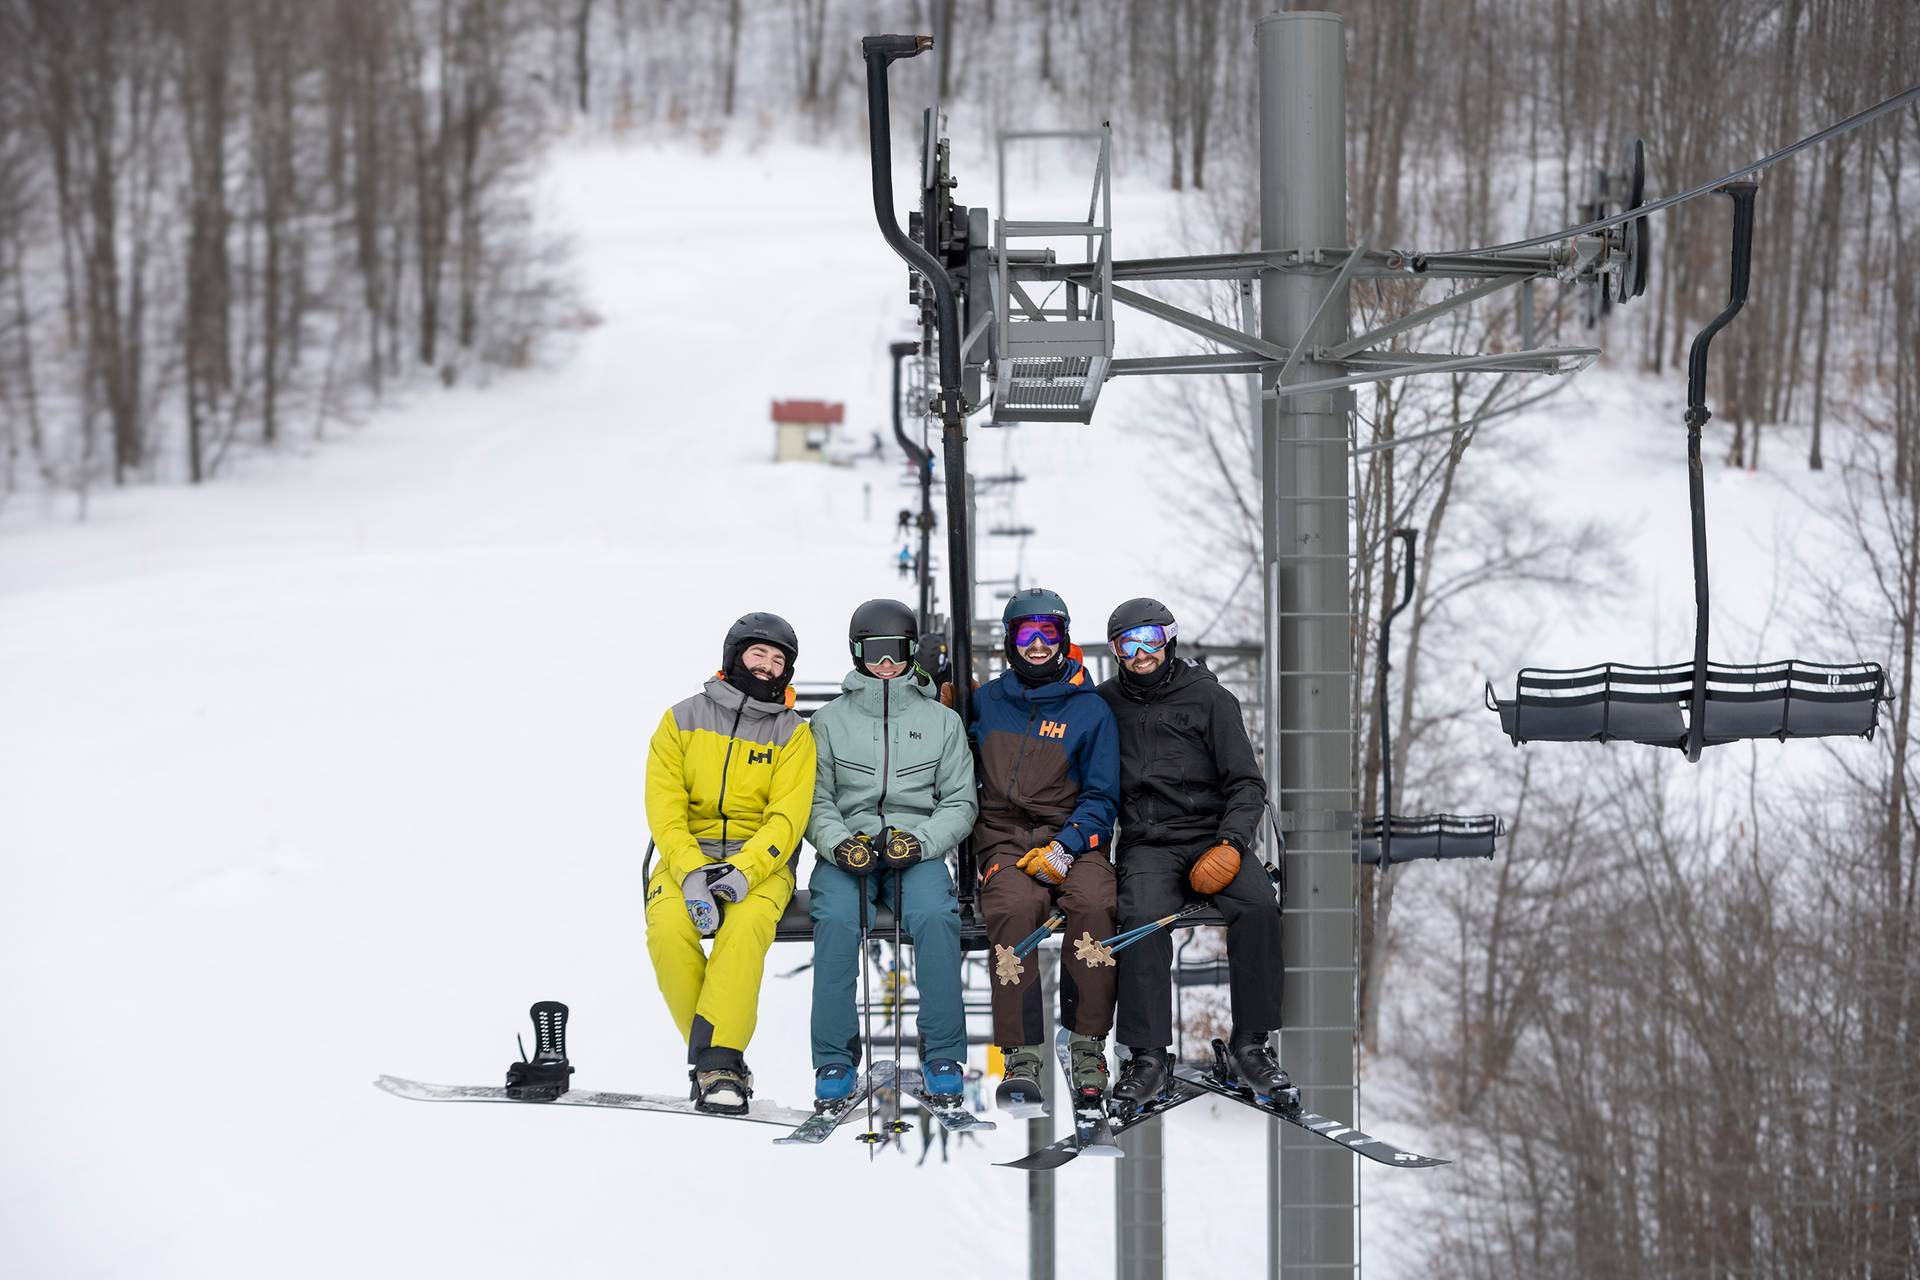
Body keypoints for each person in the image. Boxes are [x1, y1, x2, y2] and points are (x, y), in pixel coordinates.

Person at [1094, 597, 1292, 1110]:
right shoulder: (1104, 703)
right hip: (1148, 841)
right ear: (1115, 652)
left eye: (1150, 641)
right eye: (1127, 645)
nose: (1140, 655)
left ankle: (1252, 1043)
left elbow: (1247, 783)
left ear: (1169, 641)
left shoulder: (1208, 698)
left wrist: (1232, 843)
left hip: (1211, 837)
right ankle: (1148, 1055)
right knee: (1139, 917)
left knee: (1258, 908)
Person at [805, 599, 977, 1108]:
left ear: (911, 652)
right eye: (876, 652)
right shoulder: (828, 722)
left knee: (935, 917)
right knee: (835, 920)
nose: (886, 664)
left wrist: (920, 842)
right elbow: (814, 798)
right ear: (857, 654)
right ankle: (835, 1058)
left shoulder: (941, 722)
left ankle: (942, 1053)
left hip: (914, 849)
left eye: (897, 652)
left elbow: (960, 801)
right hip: (848, 851)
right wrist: (838, 843)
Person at [645, 612, 815, 1114]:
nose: (766, 666)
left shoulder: (793, 734)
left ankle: (718, 1064)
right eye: (757, 654)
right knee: (668, 928)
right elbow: (665, 806)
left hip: (760, 866)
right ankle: (716, 1062)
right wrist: (690, 868)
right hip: (686, 858)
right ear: (733, 656)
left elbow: (787, 817)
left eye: (777, 659)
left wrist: (745, 869)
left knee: (744, 930)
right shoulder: (681, 720)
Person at [972, 587, 1121, 1116]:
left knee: (1095, 903)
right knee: (1015, 909)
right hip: (1004, 836)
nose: (1038, 645)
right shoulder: (986, 702)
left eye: (1049, 634)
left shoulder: (1090, 710)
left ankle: (1087, 1045)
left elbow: (1103, 794)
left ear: (1064, 640)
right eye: (1026, 634)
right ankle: (1022, 1052)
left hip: (1073, 835)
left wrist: (1068, 845)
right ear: (1010, 642)